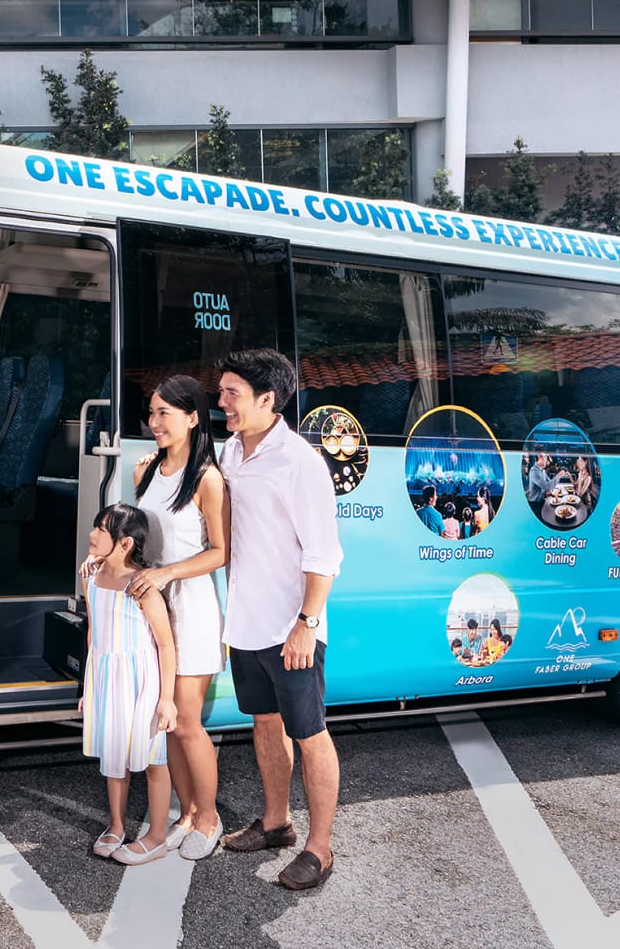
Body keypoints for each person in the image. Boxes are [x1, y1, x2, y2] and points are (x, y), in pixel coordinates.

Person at [216, 348, 344, 892]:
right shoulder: (229, 452)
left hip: (291, 628)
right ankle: (276, 824)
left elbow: (324, 554)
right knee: (264, 724)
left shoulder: (299, 461)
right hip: (245, 622)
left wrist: (306, 623)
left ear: (267, 400)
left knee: (310, 733)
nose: (221, 401)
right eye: (221, 391)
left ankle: (320, 848)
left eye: (232, 394)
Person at [125, 375, 230, 860]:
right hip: (153, 609)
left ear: (192, 418)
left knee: (187, 720)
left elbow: (219, 552)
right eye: (151, 413)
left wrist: (169, 574)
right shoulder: (147, 470)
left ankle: (209, 818)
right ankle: (187, 812)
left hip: (191, 607)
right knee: (164, 721)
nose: (154, 423)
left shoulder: (207, 478)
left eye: (164, 413)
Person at [82, 503, 180, 864]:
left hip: (141, 681)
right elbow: (94, 630)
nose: (92, 535)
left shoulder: (141, 587)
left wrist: (166, 699)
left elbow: (165, 643)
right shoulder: (90, 576)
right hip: (107, 677)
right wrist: (87, 686)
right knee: (113, 755)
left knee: (154, 759)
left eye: (101, 530)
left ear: (124, 543)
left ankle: (156, 836)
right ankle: (117, 824)